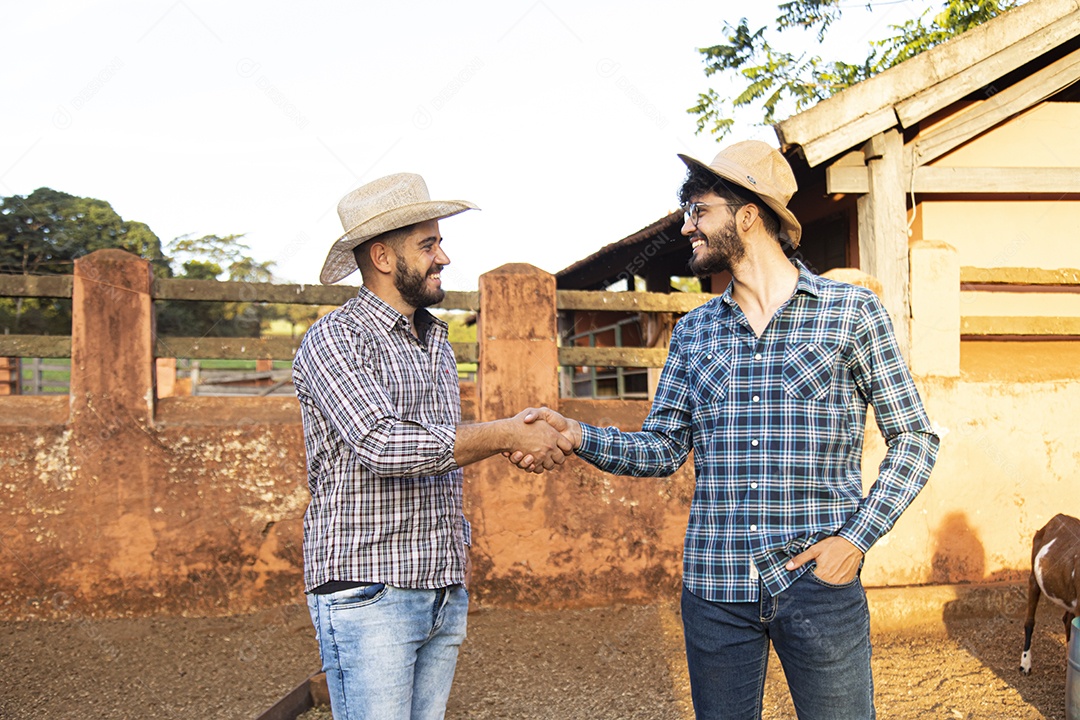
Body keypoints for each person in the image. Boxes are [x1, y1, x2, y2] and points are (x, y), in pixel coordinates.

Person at [514, 141, 940, 719]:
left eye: (700, 210)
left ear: (748, 216)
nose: (688, 225)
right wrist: (577, 433)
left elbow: (916, 438)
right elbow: (661, 449)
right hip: (716, 589)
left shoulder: (851, 313)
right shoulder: (694, 333)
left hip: (819, 584)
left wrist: (855, 540)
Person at [293, 172, 572, 720]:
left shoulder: (435, 341)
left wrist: (507, 440)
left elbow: (439, 447)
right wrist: (505, 434)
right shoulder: (336, 339)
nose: (443, 257)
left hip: (440, 583)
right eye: (428, 244)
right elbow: (384, 445)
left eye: (439, 242)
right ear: (381, 256)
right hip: (368, 587)